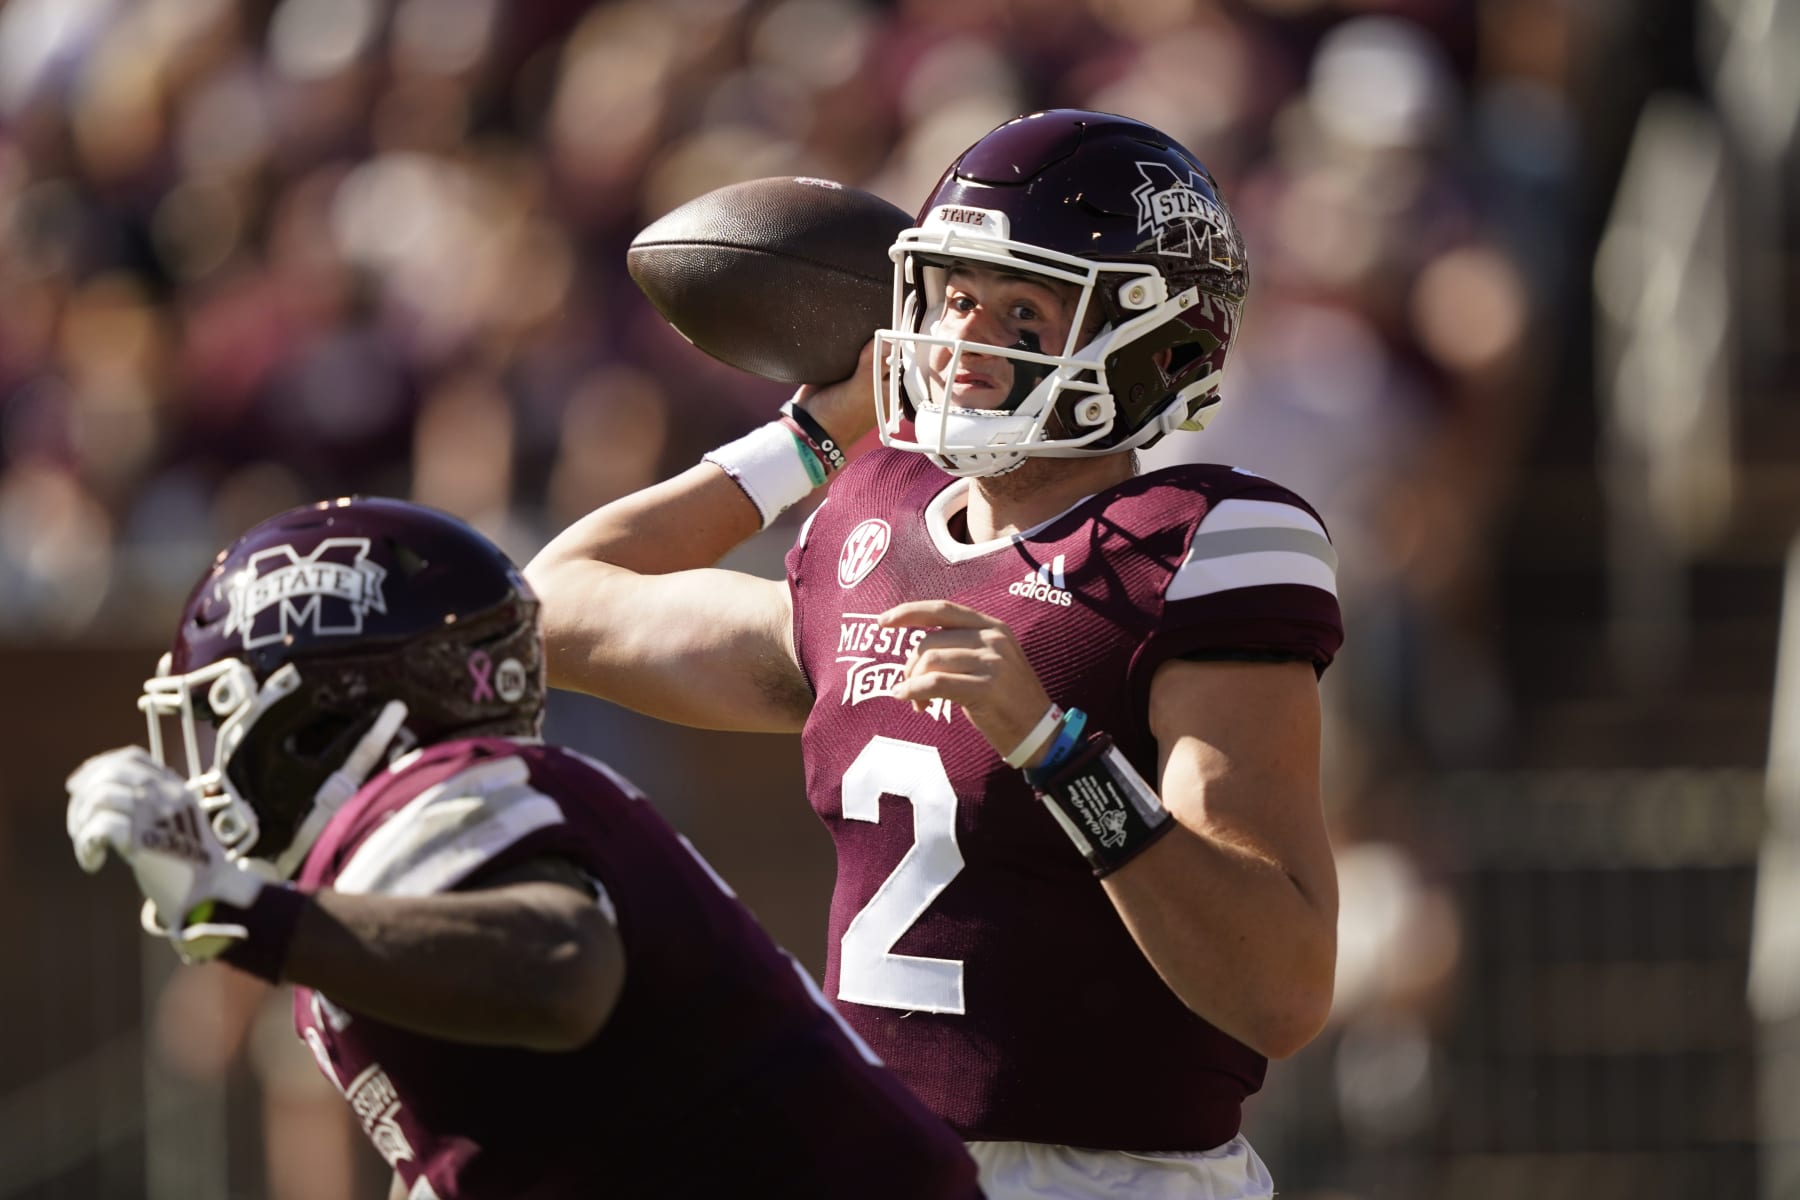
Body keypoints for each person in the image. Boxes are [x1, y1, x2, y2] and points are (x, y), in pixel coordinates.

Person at [527, 109, 1345, 1198]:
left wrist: (1055, 751)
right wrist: (806, 442)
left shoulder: (1196, 546)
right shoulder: (873, 528)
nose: (964, 343)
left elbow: (1280, 989)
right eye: (956, 298)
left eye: (1024, 311)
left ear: (1156, 344)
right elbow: (551, 606)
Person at [63, 497, 984, 1200]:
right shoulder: (389, 865)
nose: (206, 763)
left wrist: (237, 911)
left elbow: (561, 968)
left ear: (318, 714)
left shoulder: (439, 793)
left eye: (221, 714)